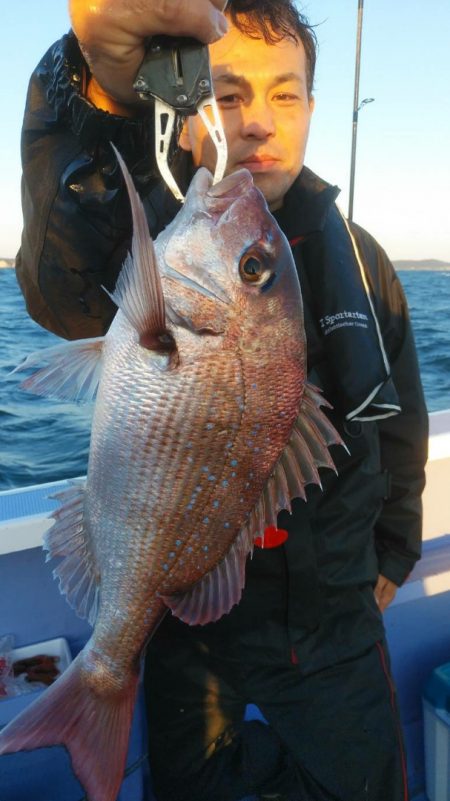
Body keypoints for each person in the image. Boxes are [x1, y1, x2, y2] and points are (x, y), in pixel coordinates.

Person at [16, 1, 428, 799]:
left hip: (335, 614)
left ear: (313, 108)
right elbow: (61, 283)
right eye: (229, 94)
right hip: (186, 622)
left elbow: (404, 419)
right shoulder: (154, 230)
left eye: (285, 94)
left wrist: (395, 550)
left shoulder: (364, 262)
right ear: (187, 107)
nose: (259, 122)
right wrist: (97, 95)